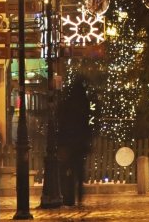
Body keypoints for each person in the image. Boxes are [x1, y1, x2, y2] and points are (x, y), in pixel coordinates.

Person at [57, 77, 92, 206]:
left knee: (68, 171)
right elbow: (85, 124)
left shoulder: (67, 103)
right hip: (79, 143)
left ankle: (69, 197)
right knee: (78, 170)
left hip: (68, 142)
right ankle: (79, 196)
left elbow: (61, 122)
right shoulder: (84, 102)